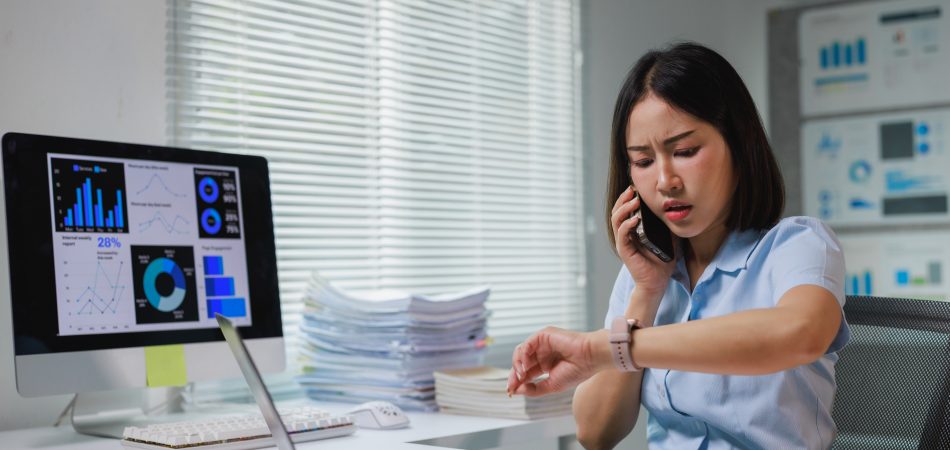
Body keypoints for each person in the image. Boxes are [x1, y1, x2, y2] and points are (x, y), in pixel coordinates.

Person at [506, 42, 849, 450]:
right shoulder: (646, 273)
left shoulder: (797, 245)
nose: (665, 180)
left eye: (684, 151)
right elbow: (596, 432)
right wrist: (646, 295)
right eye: (643, 161)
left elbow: (800, 334)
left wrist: (603, 348)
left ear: (738, 146)